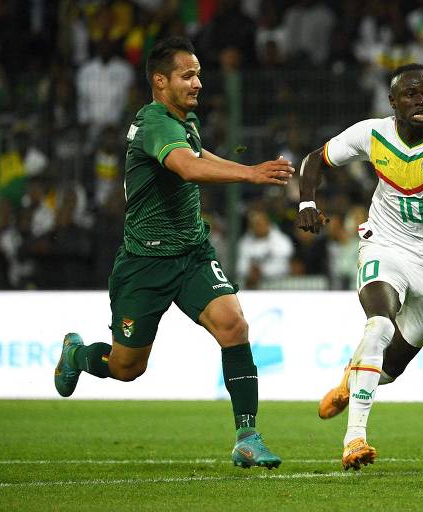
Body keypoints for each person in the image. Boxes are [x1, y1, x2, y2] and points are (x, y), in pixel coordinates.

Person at [53, 36, 295, 469]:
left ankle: (247, 436)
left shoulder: (180, 120)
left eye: (199, 74)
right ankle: (76, 354)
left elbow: (196, 153)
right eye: (189, 75)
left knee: (233, 325)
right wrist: (250, 174)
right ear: (160, 81)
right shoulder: (157, 123)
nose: (198, 82)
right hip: (145, 263)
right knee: (127, 368)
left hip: (191, 253)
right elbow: (186, 166)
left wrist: (247, 168)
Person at [296, 63, 423, 470]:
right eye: (411, 94)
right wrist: (307, 202)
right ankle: (355, 439)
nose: (421, 100)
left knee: (390, 369)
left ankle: (349, 382)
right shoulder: (372, 135)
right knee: (380, 325)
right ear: (392, 102)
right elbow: (315, 160)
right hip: (385, 247)